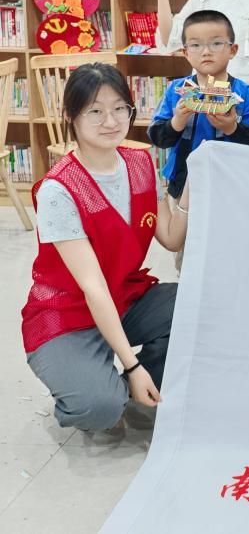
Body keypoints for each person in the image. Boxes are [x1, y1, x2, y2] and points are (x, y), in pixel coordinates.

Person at [23, 63, 189, 432]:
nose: (111, 121)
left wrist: (193, 179)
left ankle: (135, 384)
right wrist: (132, 364)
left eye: (119, 108)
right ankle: (94, 384)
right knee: (99, 408)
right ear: (72, 116)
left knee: (198, 306)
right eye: (95, 111)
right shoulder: (58, 190)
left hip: (123, 297)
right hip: (67, 312)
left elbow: (170, 237)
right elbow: (92, 287)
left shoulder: (141, 163)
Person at [148, 10, 249, 200]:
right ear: (185, 52)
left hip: (234, 186)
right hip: (184, 183)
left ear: (233, 50)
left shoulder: (244, 93)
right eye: (195, 45)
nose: (206, 51)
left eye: (216, 43)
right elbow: (157, 138)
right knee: (182, 221)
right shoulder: (176, 90)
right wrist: (177, 122)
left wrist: (232, 128)